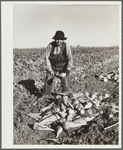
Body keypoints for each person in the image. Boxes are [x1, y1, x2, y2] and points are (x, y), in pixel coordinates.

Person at [40, 30, 73, 101]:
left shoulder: (66, 46)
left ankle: (65, 96)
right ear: (55, 39)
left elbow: (70, 59)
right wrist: (50, 70)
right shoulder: (50, 46)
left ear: (63, 40)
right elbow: (47, 59)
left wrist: (67, 71)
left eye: (60, 39)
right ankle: (46, 95)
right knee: (48, 80)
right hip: (53, 67)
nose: (58, 41)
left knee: (65, 82)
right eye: (57, 39)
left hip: (63, 67)